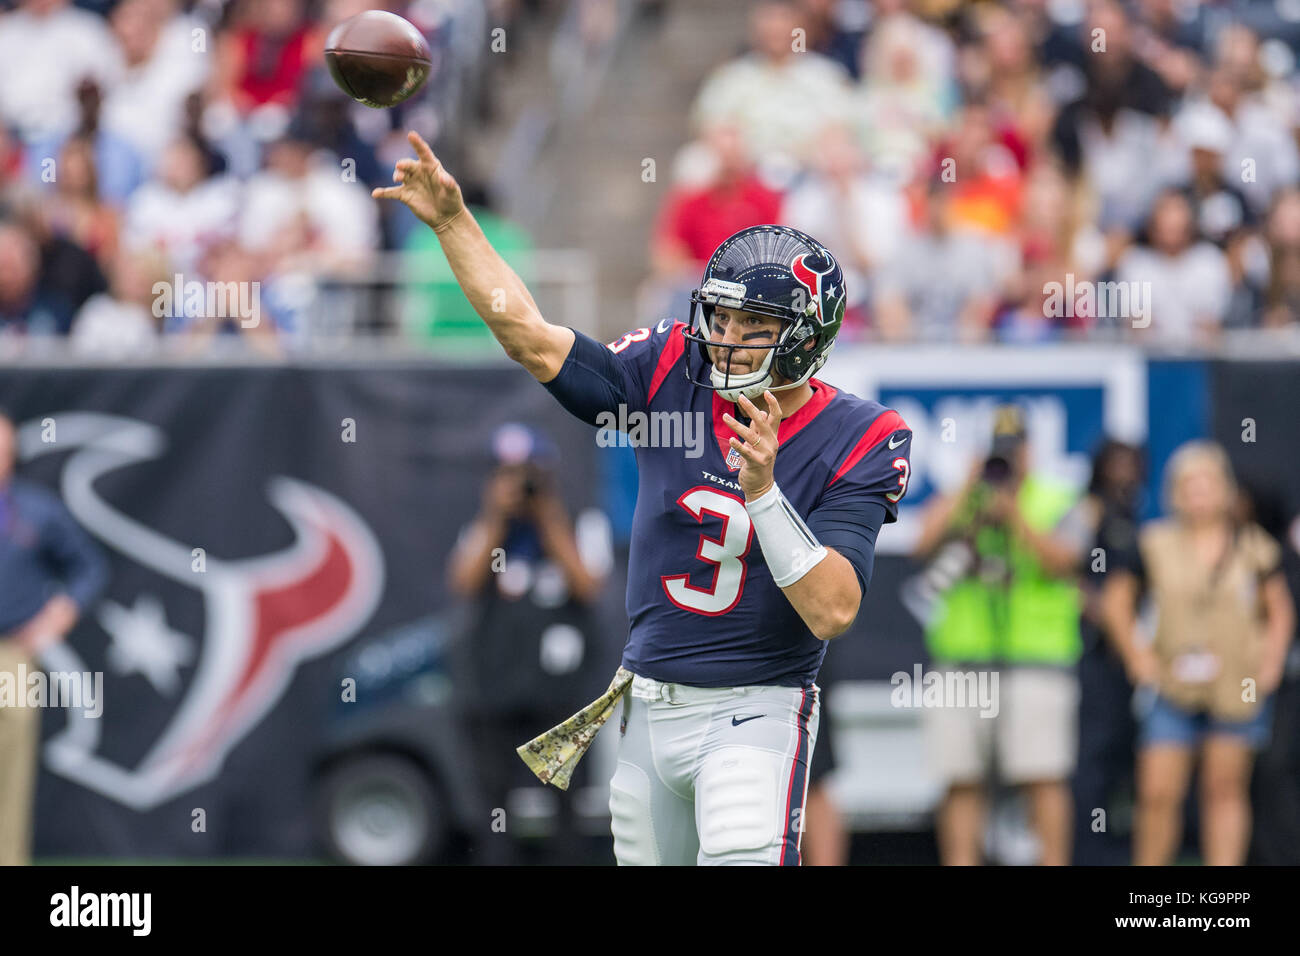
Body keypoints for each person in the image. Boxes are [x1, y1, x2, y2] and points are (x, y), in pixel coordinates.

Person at [375, 131, 912, 866]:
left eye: (752, 326)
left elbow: (834, 609)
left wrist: (762, 494)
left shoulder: (859, 433)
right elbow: (531, 340)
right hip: (649, 708)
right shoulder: (672, 368)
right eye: (719, 318)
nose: (724, 339)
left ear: (805, 337)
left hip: (755, 712)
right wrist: (452, 225)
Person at [1102, 441, 1295, 865]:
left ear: (1226, 489)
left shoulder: (1254, 546)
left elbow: (1279, 609)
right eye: (1190, 484)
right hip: (1172, 684)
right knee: (1158, 791)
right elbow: (1116, 602)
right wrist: (1138, 656)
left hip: (1233, 684)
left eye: (1208, 483)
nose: (1199, 493)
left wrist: (1270, 662)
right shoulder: (1153, 543)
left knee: (1224, 790)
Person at [912, 405, 1086, 865]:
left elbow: (1066, 560)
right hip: (962, 660)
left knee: (1042, 774)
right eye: (999, 452)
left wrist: (1014, 516)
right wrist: (965, 490)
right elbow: (919, 544)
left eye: (1015, 451)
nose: (1007, 461)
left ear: (1030, 452)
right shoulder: (964, 497)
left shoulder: (1055, 498)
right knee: (960, 777)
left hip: (1036, 662)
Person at [447, 423, 607, 864]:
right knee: (494, 802)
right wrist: (495, 516)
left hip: (560, 693)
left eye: (527, 474)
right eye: (507, 473)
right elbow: (463, 581)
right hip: (495, 689)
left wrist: (548, 517)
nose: (519, 485)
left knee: (566, 802)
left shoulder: (576, 522)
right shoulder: (482, 528)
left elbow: (588, 585)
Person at [0, 409, 108, 865]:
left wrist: (56, 617)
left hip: (11, 652)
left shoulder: (33, 510)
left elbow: (89, 566)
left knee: (10, 764)